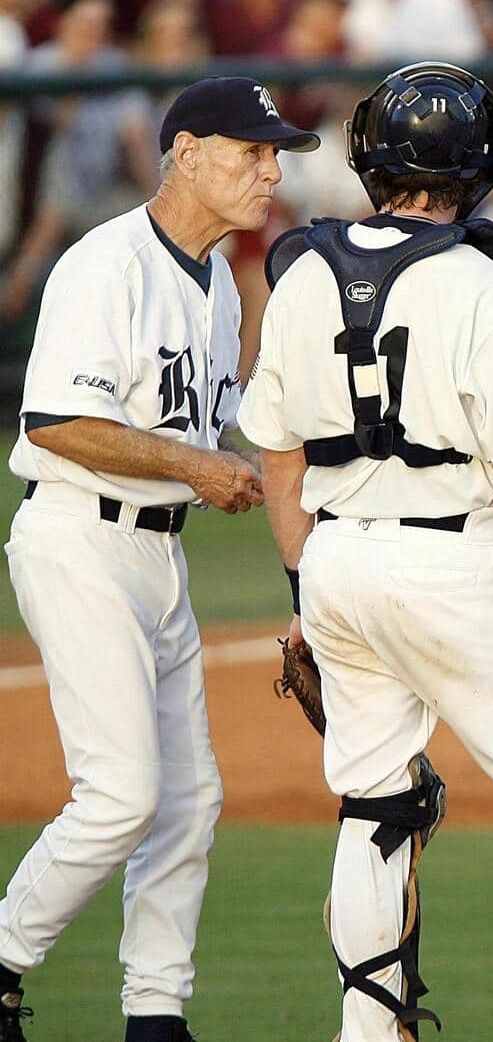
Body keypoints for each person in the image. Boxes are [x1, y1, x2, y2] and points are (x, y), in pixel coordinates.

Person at [237, 61, 493, 1042]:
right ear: (482, 163)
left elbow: (279, 455)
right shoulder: (484, 285)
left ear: (372, 157)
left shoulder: (300, 275)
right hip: (452, 565)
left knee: (375, 800)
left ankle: (369, 1030)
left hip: (337, 561)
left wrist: (303, 587)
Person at [0, 75, 312, 1042]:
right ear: (186, 154)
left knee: (188, 801)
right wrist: (194, 463)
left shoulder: (216, 280)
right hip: (80, 539)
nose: (271, 170)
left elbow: (225, 430)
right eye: (251, 151)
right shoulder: (109, 264)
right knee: (124, 794)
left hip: (156, 559)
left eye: (274, 153)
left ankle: (155, 1013)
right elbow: (56, 422)